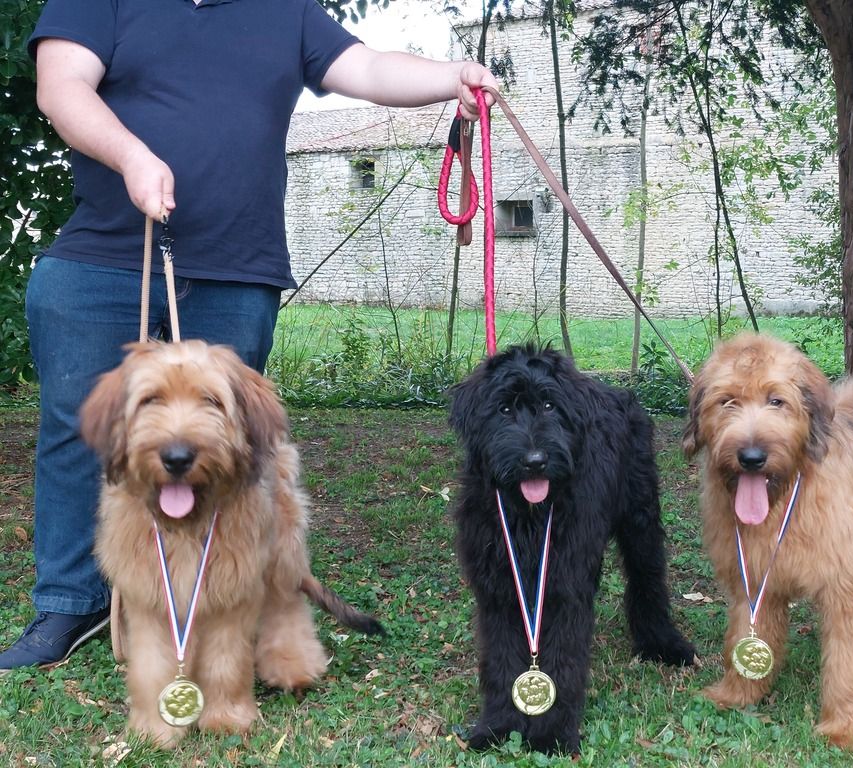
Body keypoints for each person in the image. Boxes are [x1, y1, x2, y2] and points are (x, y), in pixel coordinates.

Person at [0, 0, 498, 673]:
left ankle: (215, 598)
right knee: (74, 428)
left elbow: (373, 67)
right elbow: (61, 88)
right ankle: (70, 602)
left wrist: (452, 76)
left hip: (238, 265)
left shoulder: (285, 11)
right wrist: (133, 156)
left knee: (226, 447)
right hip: (101, 257)